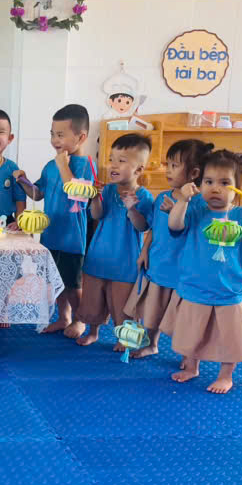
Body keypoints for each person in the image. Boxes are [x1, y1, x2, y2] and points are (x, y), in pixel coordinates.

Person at [162, 149, 242, 394]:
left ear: (238, 188)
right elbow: (174, 225)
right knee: (191, 334)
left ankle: (226, 375)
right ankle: (191, 367)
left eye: (225, 183)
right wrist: (182, 201)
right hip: (195, 289)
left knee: (231, 339)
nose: (215, 188)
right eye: (208, 182)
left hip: (231, 291)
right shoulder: (195, 211)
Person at [122, 139, 212, 358]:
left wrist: (177, 210)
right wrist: (144, 251)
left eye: (174, 166)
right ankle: (152, 344)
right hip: (158, 264)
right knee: (153, 310)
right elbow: (153, 228)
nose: (168, 170)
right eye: (167, 164)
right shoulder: (162, 197)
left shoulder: (201, 203)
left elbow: (197, 234)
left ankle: (189, 356)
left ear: (194, 173)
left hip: (183, 271)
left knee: (184, 317)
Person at [71, 132, 152, 347]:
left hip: (125, 262)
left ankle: (124, 338)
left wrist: (132, 209)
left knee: (122, 304)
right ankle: (93, 332)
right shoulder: (106, 190)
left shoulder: (144, 196)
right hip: (99, 257)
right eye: (111, 159)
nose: (113, 165)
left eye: (121, 161)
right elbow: (97, 215)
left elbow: (143, 226)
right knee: (93, 300)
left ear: (139, 169)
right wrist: (95, 198)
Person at [20, 105, 96, 334]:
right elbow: (38, 194)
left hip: (73, 238)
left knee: (73, 285)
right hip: (51, 234)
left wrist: (64, 165)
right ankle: (64, 318)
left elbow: (78, 195)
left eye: (61, 135)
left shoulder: (87, 165)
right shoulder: (50, 166)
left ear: (81, 137)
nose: (55, 140)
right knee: (55, 281)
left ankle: (79, 320)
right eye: (52, 134)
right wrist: (23, 181)